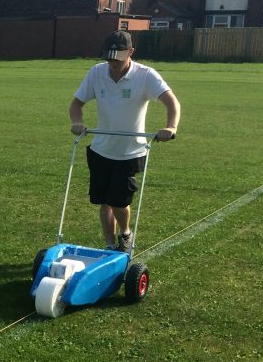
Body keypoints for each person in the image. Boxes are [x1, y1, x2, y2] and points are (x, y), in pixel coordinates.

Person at [68, 30, 180, 251]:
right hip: (101, 149)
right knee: (103, 201)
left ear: (131, 52)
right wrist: (77, 122)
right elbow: (76, 104)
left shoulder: (146, 75)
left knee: (119, 201)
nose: (112, 63)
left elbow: (172, 103)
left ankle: (125, 233)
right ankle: (110, 245)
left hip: (130, 151)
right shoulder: (97, 73)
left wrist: (171, 126)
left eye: (117, 58)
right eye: (109, 58)